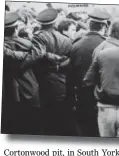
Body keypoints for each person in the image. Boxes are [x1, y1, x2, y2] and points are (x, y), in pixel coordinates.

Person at [2, 12, 64, 135]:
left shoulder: (6, 48)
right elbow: (42, 56)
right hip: (29, 90)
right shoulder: (28, 44)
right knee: (32, 126)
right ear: (16, 29)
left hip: (7, 94)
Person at [31, 8, 78, 136]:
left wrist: (51, 64)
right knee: (60, 118)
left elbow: (36, 56)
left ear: (40, 23)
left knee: (46, 120)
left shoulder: (38, 37)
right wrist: (59, 66)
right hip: (62, 83)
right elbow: (71, 61)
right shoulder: (66, 39)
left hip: (42, 83)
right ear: (55, 23)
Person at [68, 8, 111, 137]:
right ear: (104, 26)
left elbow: (70, 76)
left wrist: (70, 99)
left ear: (89, 25)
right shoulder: (108, 45)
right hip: (103, 98)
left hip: (82, 97)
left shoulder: (76, 45)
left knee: (86, 132)